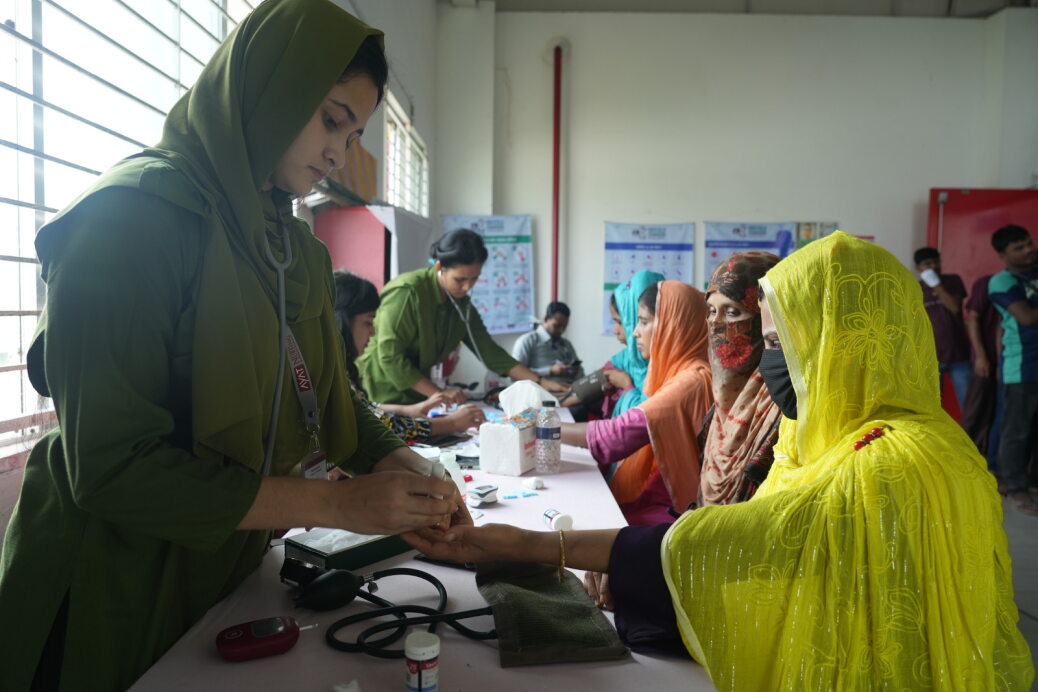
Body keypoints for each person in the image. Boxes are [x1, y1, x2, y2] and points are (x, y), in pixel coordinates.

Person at [0, 4, 467, 689]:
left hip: (227, 567)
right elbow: (110, 470)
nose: (341, 153)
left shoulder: (293, 252)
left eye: (356, 132)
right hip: (107, 578)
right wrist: (336, 506)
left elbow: (337, 401)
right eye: (332, 119)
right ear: (268, 89)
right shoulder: (127, 220)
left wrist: (407, 466)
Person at [406, 232, 1034, 691]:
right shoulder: (820, 435)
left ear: (843, 345)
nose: (764, 362)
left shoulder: (889, 458)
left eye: (777, 343)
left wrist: (530, 546)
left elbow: (740, 539)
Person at [357, 228, 567, 405]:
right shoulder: (407, 293)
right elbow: (390, 357)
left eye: (474, 279)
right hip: (382, 388)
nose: (467, 287)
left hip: (419, 392)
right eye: (460, 279)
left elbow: (489, 351)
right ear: (439, 267)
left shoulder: (461, 305)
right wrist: (438, 394)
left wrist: (540, 382)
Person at [561, 281, 713, 525]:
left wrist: (543, 427)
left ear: (670, 325)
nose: (634, 332)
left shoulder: (691, 381)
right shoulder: (676, 371)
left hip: (674, 508)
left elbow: (616, 435)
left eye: (643, 321)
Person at [333, 270, 485, 440]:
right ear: (341, 322)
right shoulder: (325, 375)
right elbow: (376, 425)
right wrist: (451, 424)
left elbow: (364, 409)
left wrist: (408, 411)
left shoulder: (338, 368)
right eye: (368, 322)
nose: (373, 332)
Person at [698, 251, 783, 505]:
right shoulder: (719, 412)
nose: (716, 325)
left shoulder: (785, 404)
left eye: (733, 313)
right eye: (711, 311)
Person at [988, 224, 1038, 515]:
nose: (1028, 250)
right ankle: (1015, 487)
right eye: (1019, 248)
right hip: (1024, 367)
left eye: (1029, 243)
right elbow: (1027, 317)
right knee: (1017, 431)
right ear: (1002, 255)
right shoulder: (1002, 281)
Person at [914, 247, 971, 411]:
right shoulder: (915, 288)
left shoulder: (952, 281)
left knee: (968, 406)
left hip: (958, 354)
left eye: (936, 261)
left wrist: (937, 285)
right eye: (927, 264)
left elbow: (954, 307)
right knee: (931, 407)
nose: (933, 266)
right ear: (918, 267)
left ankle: (969, 436)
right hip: (930, 357)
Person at [961, 273, 1004, 474]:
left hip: (1008, 361)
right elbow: (973, 318)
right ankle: (962, 461)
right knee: (976, 412)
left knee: (999, 414)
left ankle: (988, 462)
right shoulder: (988, 283)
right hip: (986, 360)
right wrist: (981, 356)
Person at [608, 269, 665, 417]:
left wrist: (627, 387)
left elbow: (642, 422)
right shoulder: (632, 357)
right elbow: (605, 372)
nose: (634, 332)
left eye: (643, 322)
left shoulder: (678, 374)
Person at [510, 301, 584, 384]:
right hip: (541, 393)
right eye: (557, 325)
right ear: (546, 318)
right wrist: (549, 371)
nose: (561, 330)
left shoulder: (566, 344)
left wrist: (572, 371)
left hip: (569, 391)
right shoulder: (527, 341)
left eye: (565, 326)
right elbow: (515, 375)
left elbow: (581, 373)